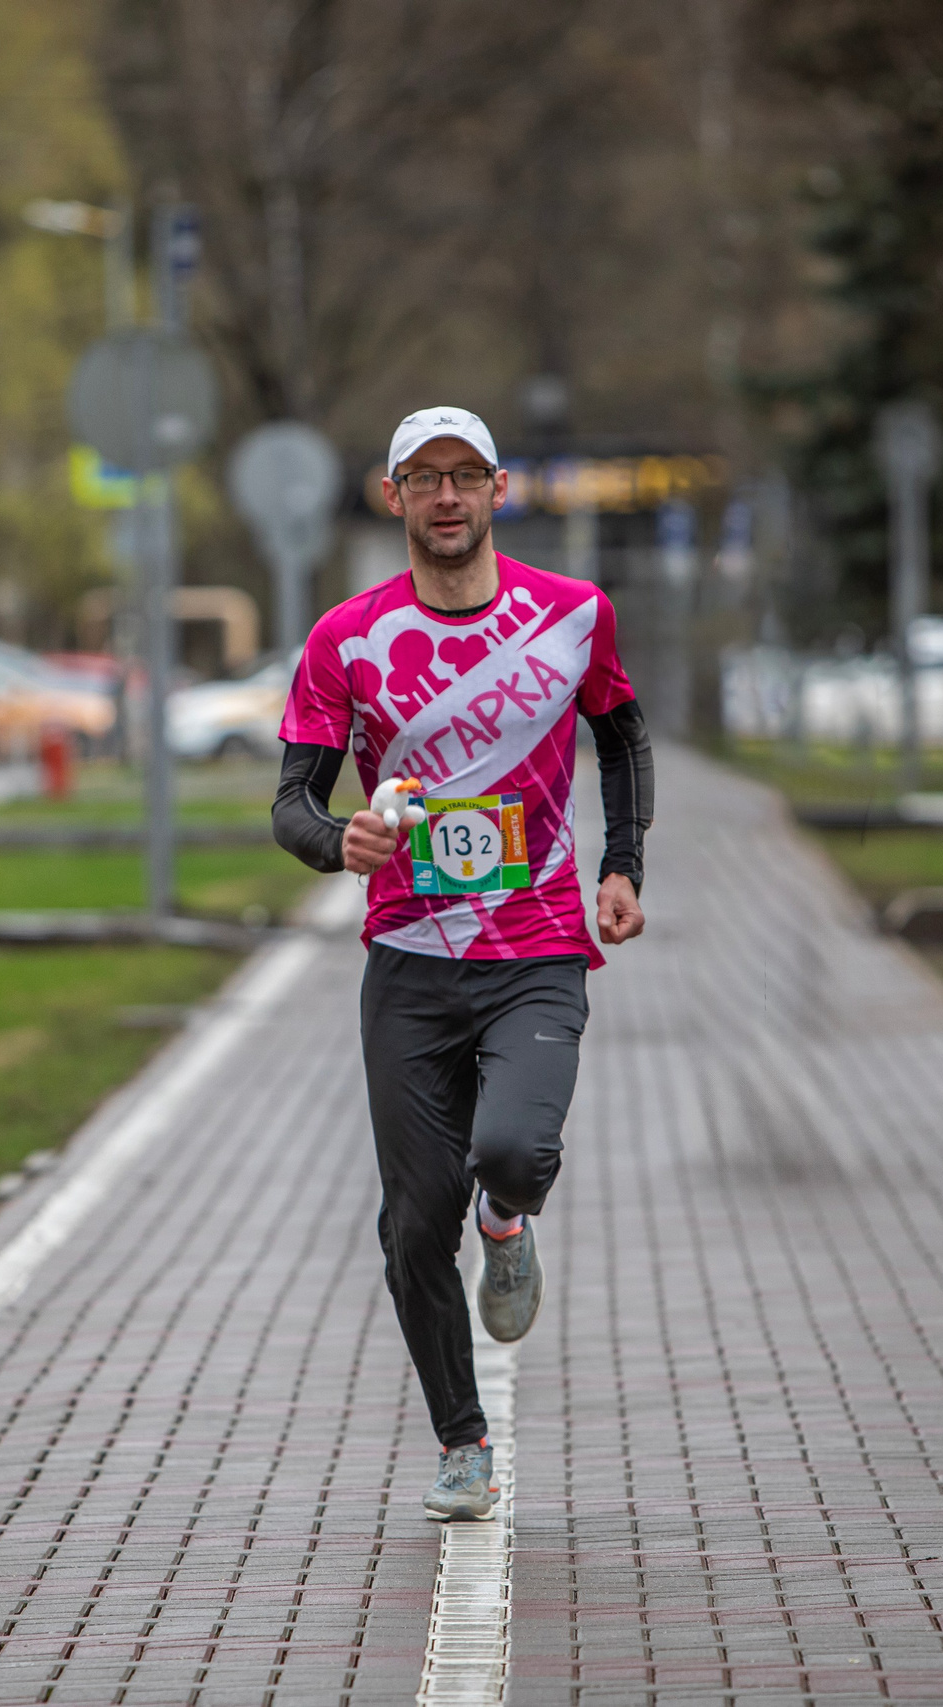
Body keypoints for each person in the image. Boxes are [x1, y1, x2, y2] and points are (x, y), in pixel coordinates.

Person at [271, 405, 654, 1522]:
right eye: (423, 479)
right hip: (407, 962)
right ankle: (462, 1442)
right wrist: (338, 839)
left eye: (466, 476)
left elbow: (621, 735)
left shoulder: (572, 615)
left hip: (536, 945)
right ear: (391, 497)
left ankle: (508, 1221)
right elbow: (292, 801)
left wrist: (620, 864)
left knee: (512, 1150)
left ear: (497, 490)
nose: (447, 497)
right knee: (408, 1222)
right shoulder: (346, 639)